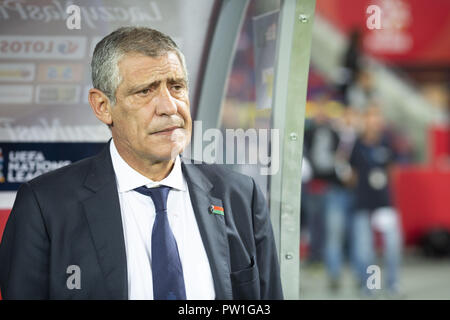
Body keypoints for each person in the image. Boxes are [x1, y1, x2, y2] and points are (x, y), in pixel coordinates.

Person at [0, 27, 283, 300]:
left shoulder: (240, 196)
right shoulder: (44, 205)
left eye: (176, 87)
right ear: (103, 106)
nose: (169, 106)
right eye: (145, 91)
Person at [348, 105, 402, 297]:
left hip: (384, 203)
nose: (375, 121)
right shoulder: (356, 145)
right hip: (363, 202)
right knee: (365, 250)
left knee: (392, 247)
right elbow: (352, 175)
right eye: (371, 117)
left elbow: (391, 170)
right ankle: (371, 286)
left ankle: (393, 284)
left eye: (377, 117)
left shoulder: (387, 143)